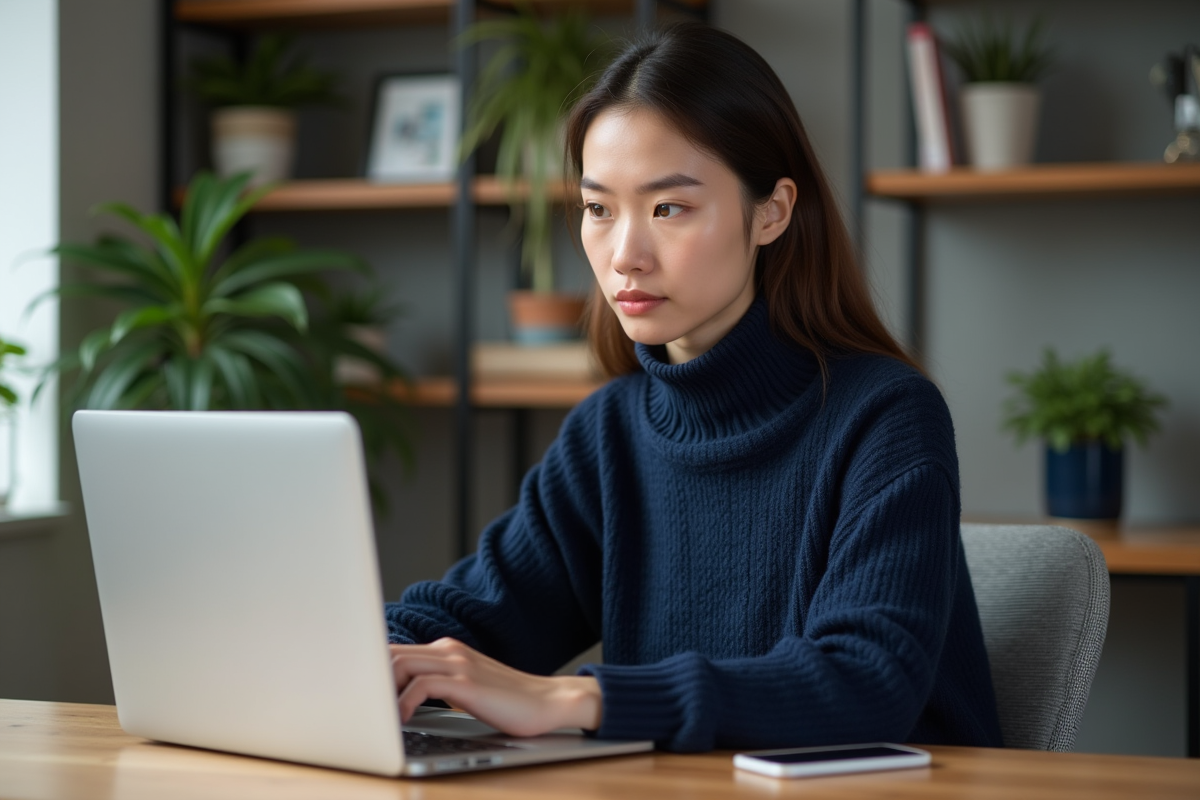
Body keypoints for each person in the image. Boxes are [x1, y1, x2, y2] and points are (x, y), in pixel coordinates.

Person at [385, 22, 1004, 752]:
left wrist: (574, 698)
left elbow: (866, 683)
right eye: (598, 208)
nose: (625, 256)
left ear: (771, 212)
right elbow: (471, 617)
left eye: (668, 208)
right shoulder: (609, 431)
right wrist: (370, 656)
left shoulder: (886, 416)